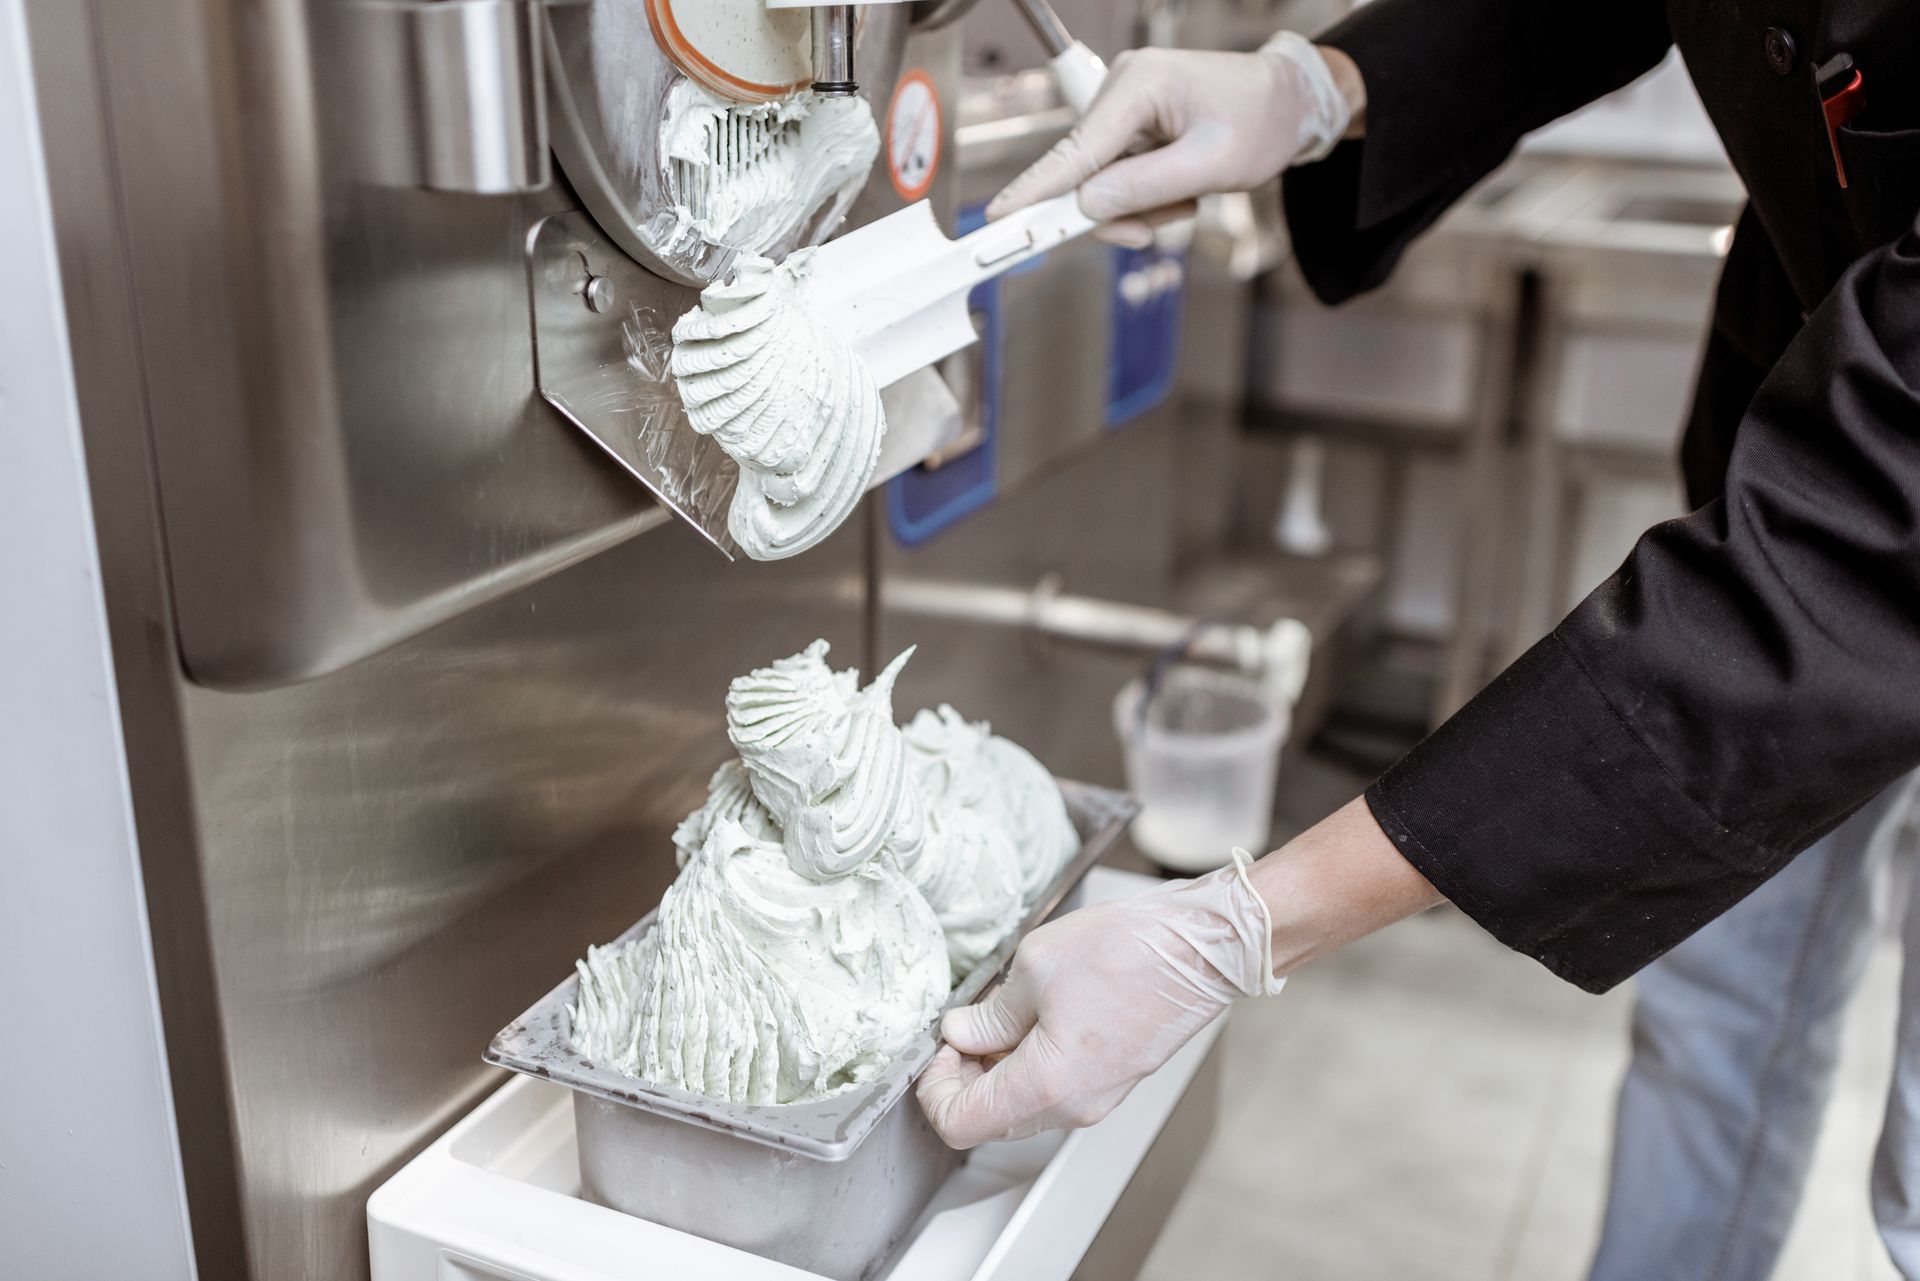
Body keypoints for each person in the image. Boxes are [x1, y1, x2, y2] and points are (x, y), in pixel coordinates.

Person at [913, 4, 1920, 1276]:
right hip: (1798, 429)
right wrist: (1320, 88)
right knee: (1721, 1017)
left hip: (1868, 537)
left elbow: (1853, 567)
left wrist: (1237, 927)